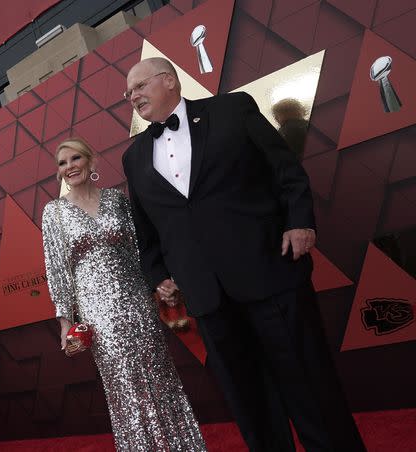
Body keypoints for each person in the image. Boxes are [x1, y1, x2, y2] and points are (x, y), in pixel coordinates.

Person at [121, 57, 365, 451]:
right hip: (207, 297)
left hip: (270, 270)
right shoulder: (133, 158)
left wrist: (300, 222)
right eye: (128, 93)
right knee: (249, 403)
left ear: (169, 80)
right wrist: (158, 275)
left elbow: (285, 170)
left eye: (139, 86)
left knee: (309, 385)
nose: (132, 96)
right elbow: (146, 229)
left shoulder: (232, 109)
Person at [41, 138, 206, 451]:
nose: (69, 166)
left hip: (137, 301)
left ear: (91, 163)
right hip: (97, 314)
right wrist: (65, 321)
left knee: (160, 377)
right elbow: (57, 269)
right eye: (62, 163)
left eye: (75, 158)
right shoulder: (55, 213)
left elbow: (139, 248)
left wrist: (157, 285)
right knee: (125, 389)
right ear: (58, 173)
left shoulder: (117, 200)